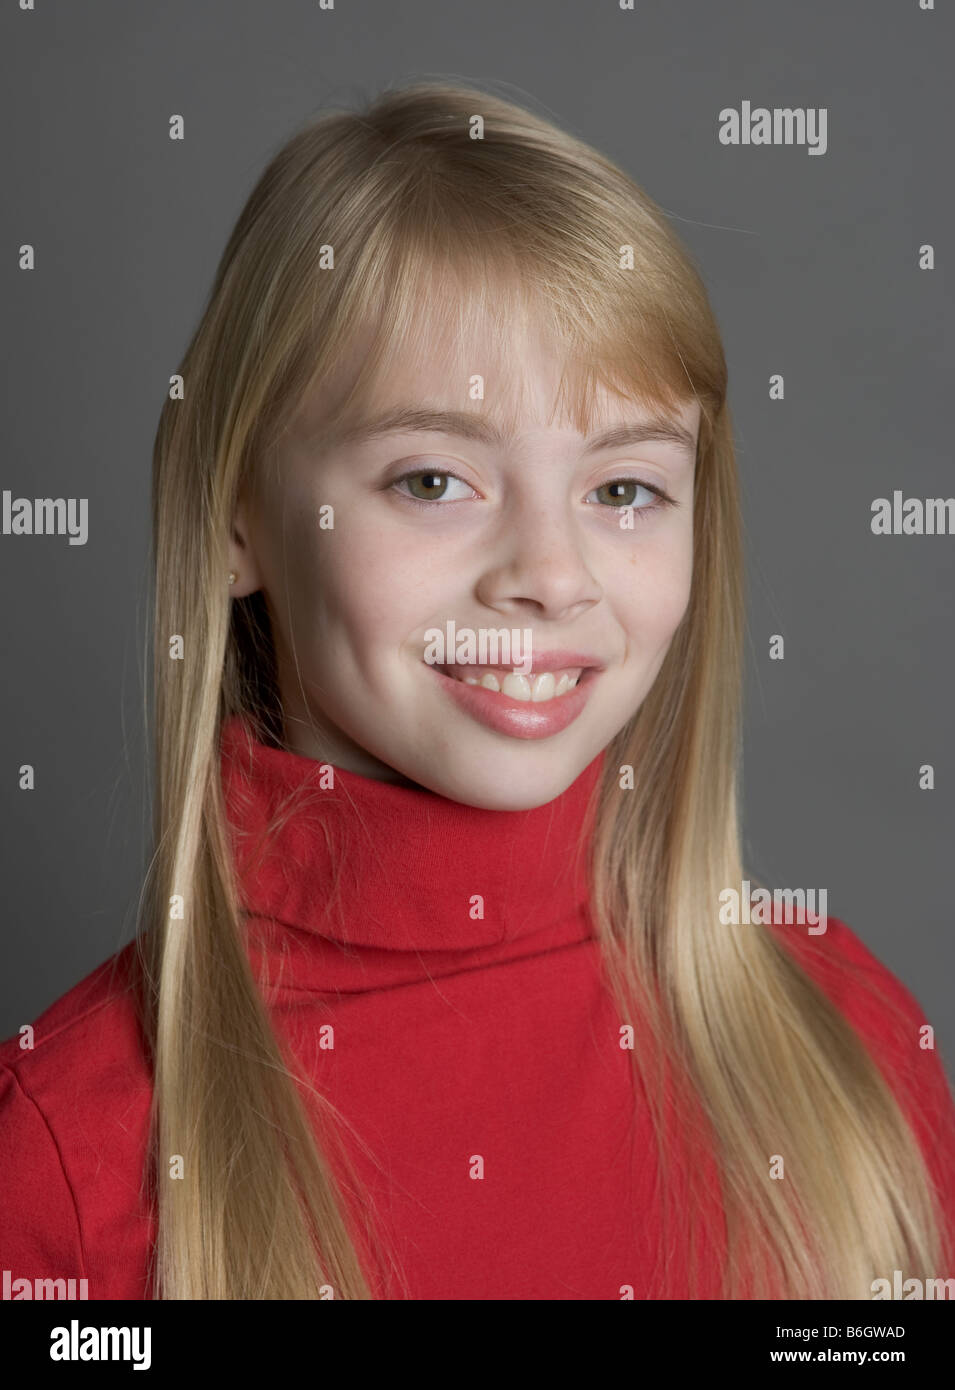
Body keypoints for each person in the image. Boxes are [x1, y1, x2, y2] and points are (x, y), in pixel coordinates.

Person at [1, 80, 953, 1301]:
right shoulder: (68, 1152)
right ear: (235, 512)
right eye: (434, 480)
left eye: (623, 490)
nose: (551, 577)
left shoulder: (845, 1044)